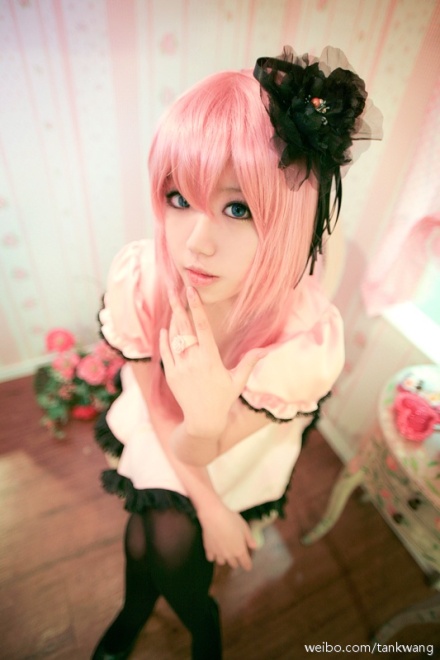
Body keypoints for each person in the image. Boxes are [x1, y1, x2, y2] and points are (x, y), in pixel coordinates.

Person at [91, 46, 382, 659]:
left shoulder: (302, 337)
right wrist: (210, 507)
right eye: (179, 198)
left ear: (288, 218)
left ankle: (195, 625)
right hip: (170, 425)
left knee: (160, 536)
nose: (195, 244)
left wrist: (205, 422)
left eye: (238, 207)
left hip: (232, 446)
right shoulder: (144, 277)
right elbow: (155, 403)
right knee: (150, 534)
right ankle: (151, 613)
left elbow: (208, 444)